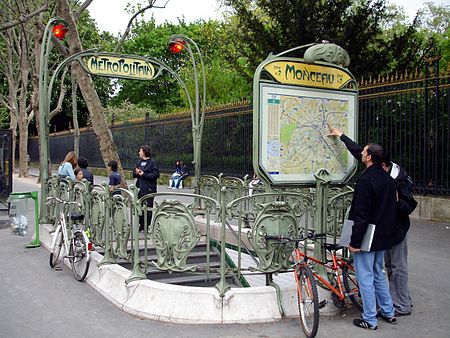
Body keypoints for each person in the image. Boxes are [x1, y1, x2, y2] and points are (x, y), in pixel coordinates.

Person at [327, 125, 417, 317]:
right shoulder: (379, 169)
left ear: (383, 164)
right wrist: (341, 136)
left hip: (396, 229)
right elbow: (360, 151)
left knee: (396, 267)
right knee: (380, 269)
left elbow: (408, 206)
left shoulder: (396, 178)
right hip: (380, 229)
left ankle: (401, 304)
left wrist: (393, 203)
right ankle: (387, 308)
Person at [346, 143, 398, 330]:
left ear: (369, 157)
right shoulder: (388, 179)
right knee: (379, 273)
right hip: (383, 235)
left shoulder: (366, 180)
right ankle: (388, 311)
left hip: (368, 235)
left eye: (364, 151)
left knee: (365, 277)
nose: (361, 152)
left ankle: (369, 318)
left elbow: (362, 214)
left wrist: (354, 241)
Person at [133, 145, 159, 231]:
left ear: (144, 152)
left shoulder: (152, 162)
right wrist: (137, 173)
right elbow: (134, 174)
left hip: (149, 189)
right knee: (139, 207)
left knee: (148, 208)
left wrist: (144, 174)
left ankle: (147, 225)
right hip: (140, 188)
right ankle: (141, 224)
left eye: (140, 151)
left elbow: (155, 175)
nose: (139, 153)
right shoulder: (138, 162)